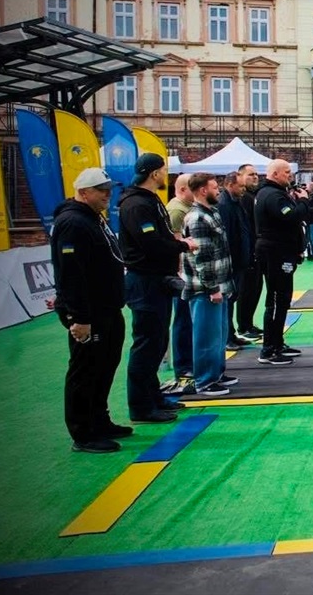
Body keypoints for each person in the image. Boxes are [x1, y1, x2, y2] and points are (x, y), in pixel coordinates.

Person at [52, 167, 129, 453]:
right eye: (101, 190)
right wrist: (79, 318)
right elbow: (70, 274)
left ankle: (99, 420)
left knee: (105, 365)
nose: (108, 195)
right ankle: (83, 433)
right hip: (89, 312)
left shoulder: (94, 219)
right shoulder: (73, 223)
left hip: (107, 307)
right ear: (84, 192)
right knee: (85, 371)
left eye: (109, 189)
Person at [119, 153, 193, 423]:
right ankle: (141, 407)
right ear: (153, 174)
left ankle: (154, 397)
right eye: (163, 170)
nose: (165, 174)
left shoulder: (150, 201)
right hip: (145, 281)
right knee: (147, 344)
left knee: (158, 341)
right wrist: (183, 245)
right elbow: (151, 243)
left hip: (157, 280)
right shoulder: (137, 205)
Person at [180, 174, 238, 397]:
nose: (219, 191)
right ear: (203, 190)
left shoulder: (211, 212)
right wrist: (212, 288)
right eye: (215, 188)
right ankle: (205, 380)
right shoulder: (197, 218)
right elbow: (202, 259)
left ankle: (216, 373)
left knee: (219, 334)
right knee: (206, 336)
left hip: (220, 285)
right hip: (206, 289)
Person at [255, 159, 308, 365]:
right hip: (276, 252)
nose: (290, 176)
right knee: (277, 300)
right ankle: (269, 349)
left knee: (282, 299)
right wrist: (304, 200)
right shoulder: (273, 195)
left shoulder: (271, 194)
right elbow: (292, 217)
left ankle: (277, 342)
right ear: (275, 174)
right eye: (286, 172)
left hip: (280, 251)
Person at [165, 174, 200, 389]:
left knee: (188, 319)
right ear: (183, 189)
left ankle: (188, 361)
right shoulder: (177, 210)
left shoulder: (185, 207)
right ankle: (183, 364)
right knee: (183, 319)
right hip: (182, 273)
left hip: (188, 271)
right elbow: (177, 244)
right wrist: (180, 273)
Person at [217, 171, 253, 349]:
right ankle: (227, 337)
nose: (243, 189)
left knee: (233, 298)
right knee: (228, 300)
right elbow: (228, 237)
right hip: (232, 261)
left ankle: (231, 334)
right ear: (230, 185)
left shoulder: (236, 203)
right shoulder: (224, 205)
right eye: (240, 186)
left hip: (239, 260)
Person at [233, 165, 264, 342]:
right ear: (240, 176)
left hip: (256, 249)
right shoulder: (243, 199)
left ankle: (249, 323)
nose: (255, 177)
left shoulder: (254, 196)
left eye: (256, 174)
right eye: (251, 174)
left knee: (256, 289)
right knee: (246, 290)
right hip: (248, 251)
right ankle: (243, 325)